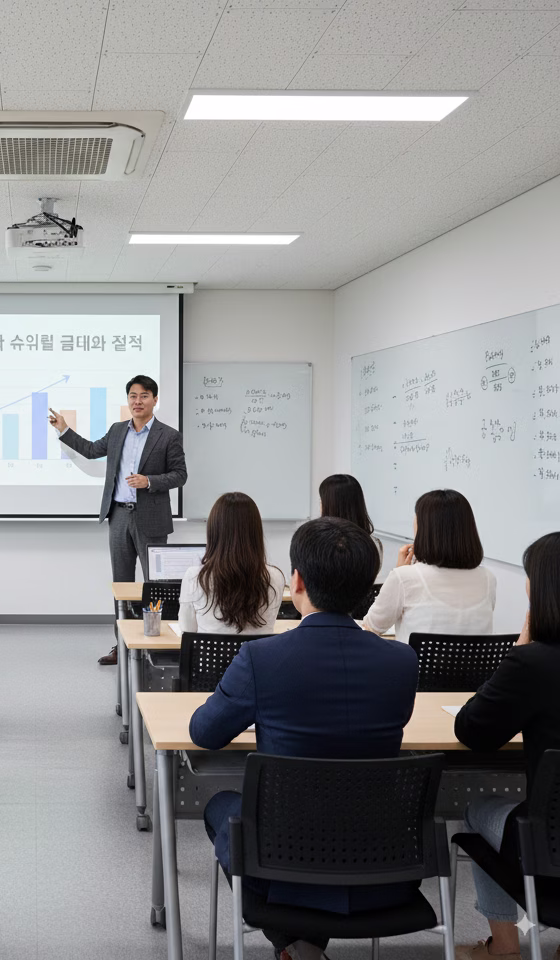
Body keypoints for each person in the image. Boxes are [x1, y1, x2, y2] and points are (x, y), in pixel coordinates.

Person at [190, 517, 419, 960]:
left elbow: (205, 734)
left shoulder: (261, 658)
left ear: (296, 581)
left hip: (282, 862)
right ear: (368, 586)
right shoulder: (402, 661)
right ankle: (304, 947)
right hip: (385, 860)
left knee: (220, 805)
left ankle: (293, 942)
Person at [453, 532, 560, 960]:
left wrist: (518, 650)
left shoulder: (534, 663)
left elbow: (473, 731)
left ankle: (503, 945)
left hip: (551, 844)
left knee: (476, 808)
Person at [49, 375, 187, 664]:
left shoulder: (168, 435)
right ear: (128, 400)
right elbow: (89, 450)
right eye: (133, 396)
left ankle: (156, 644)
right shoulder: (116, 431)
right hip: (119, 515)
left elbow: (180, 475)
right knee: (121, 584)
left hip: (151, 518)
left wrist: (148, 480)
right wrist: (64, 430)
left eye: (144, 396)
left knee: (155, 585)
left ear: (155, 399)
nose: (138, 401)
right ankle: (122, 645)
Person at [363, 488, 496, 643]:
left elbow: (371, 627)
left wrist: (399, 571)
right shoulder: (488, 578)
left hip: (416, 667)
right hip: (477, 668)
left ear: (425, 530)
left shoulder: (404, 577)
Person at [178, 491, 284, 634]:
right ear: (256, 531)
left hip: (210, 656)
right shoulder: (275, 577)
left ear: (214, 531)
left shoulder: (195, 576)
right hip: (257, 657)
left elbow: (187, 630)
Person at [319, 473, 383, 567]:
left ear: (329, 506)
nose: (320, 506)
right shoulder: (374, 544)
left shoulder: (319, 545)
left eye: (321, 502)